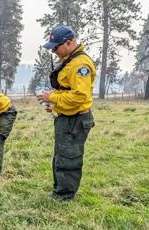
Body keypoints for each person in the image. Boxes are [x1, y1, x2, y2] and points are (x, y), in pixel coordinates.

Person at [37, 25, 96, 200]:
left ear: (69, 42)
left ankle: (64, 197)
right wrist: (54, 105)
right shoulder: (69, 60)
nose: (54, 50)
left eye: (56, 46)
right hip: (67, 118)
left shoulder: (80, 65)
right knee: (61, 156)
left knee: (69, 158)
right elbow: (67, 91)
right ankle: (60, 190)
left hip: (75, 120)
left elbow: (79, 97)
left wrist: (53, 97)